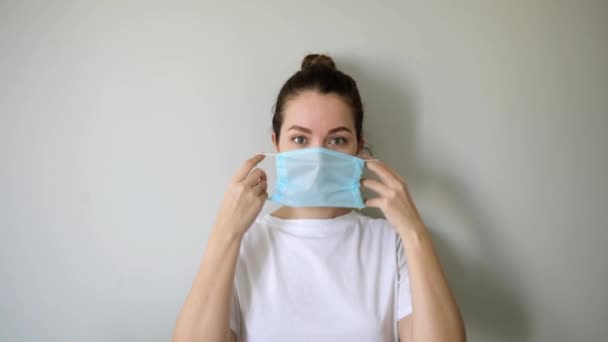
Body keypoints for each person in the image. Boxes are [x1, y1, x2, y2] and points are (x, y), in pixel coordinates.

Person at [173, 54, 466, 342]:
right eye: (300, 139)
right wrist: (225, 234)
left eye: (337, 140)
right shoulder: (244, 242)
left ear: (358, 147)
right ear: (276, 143)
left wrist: (414, 232)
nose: (319, 157)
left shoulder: (392, 242)